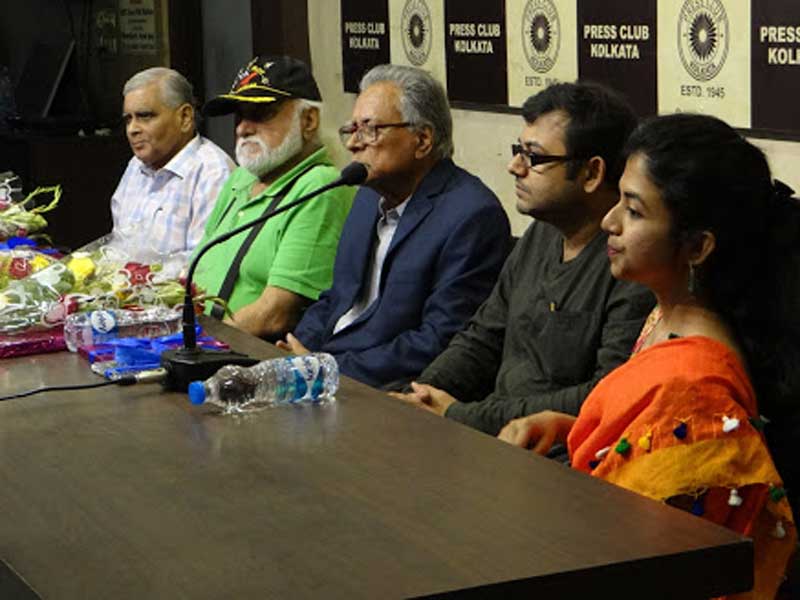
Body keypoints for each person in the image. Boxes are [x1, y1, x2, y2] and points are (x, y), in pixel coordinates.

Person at [499, 114, 798, 599]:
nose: (609, 221)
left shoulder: (694, 387)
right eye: (618, 199)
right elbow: (644, 447)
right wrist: (568, 426)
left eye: (634, 211)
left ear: (697, 246)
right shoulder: (665, 315)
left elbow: (641, 560)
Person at [394, 82, 654, 436]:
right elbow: (482, 339)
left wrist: (461, 415)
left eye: (534, 157)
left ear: (592, 173)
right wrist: (420, 396)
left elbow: (603, 396)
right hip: (491, 433)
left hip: (554, 452)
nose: (515, 166)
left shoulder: (632, 262)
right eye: (519, 150)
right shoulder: (541, 234)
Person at [278, 64, 511, 389]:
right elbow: (335, 298)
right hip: (326, 371)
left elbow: (438, 340)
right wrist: (296, 349)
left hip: (387, 389)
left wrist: (329, 369)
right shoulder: (367, 197)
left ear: (423, 140)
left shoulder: (472, 216)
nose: (353, 143)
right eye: (352, 130)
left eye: (370, 130)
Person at [194, 56, 354, 340]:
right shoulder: (241, 178)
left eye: (261, 113)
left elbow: (274, 315)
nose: (243, 128)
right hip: (199, 338)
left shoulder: (320, 186)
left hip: (245, 352)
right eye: (239, 115)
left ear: (308, 120)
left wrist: (199, 345)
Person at [111, 67, 234, 255]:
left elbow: (204, 263)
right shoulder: (135, 166)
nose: (132, 129)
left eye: (145, 116)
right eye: (128, 119)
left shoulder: (213, 172)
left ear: (185, 117)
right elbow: (117, 246)